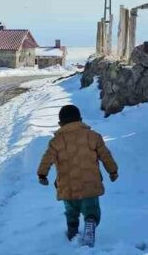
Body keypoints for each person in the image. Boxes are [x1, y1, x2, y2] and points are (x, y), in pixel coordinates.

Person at [37, 104, 119, 247]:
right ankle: (90, 222)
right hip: (90, 185)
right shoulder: (93, 136)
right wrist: (112, 171)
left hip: (68, 187)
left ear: (60, 124)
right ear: (80, 119)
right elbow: (105, 156)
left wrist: (42, 174)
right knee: (91, 210)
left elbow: (47, 159)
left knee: (71, 211)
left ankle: (72, 232)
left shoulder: (56, 141)